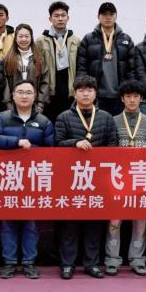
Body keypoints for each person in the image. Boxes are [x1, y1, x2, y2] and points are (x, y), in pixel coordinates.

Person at [0, 79, 55, 279]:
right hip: (8, 177)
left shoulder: (44, 121)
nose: (24, 96)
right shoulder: (2, 118)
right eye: (20, 92)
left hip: (33, 178)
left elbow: (52, 150)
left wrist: (34, 150)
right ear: (13, 96)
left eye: (28, 92)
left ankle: (29, 262)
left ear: (35, 97)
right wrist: (16, 142)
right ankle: (9, 262)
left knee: (30, 223)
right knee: (8, 222)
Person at [54, 74, 118, 279]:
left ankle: (92, 263)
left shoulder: (106, 117)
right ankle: (67, 264)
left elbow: (113, 145)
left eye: (89, 90)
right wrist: (74, 143)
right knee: (70, 224)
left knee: (94, 224)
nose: (85, 94)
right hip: (71, 179)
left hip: (97, 179)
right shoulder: (64, 117)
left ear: (95, 93)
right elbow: (57, 143)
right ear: (75, 93)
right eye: (81, 90)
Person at [105, 80, 146, 276]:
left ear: (142, 98)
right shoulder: (112, 121)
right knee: (114, 222)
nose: (132, 100)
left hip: (142, 179)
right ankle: (112, 259)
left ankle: (137, 259)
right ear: (122, 99)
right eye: (128, 96)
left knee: (140, 222)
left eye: (136, 96)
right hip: (117, 180)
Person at [75, 2, 136, 115]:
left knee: (119, 125)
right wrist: (85, 91)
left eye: (111, 14)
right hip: (97, 95)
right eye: (104, 14)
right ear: (98, 16)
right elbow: (81, 68)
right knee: (98, 125)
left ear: (116, 16)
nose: (108, 17)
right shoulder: (88, 39)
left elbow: (132, 69)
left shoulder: (126, 39)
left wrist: (129, 91)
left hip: (120, 95)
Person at [34, 1, 81, 121]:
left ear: (68, 18)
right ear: (50, 19)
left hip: (70, 93)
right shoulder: (41, 41)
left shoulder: (76, 41)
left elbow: (80, 67)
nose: (60, 18)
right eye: (56, 16)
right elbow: (37, 69)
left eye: (63, 15)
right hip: (50, 94)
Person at [2, 24, 50, 114]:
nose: (23, 39)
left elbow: (45, 82)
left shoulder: (39, 59)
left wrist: (40, 104)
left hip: (34, 105)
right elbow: (5, 83)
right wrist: (8, 104)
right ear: (16, 38)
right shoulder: (8, 59)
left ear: (31, 38)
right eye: (20, 36)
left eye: (26, 36)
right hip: (13, 105)